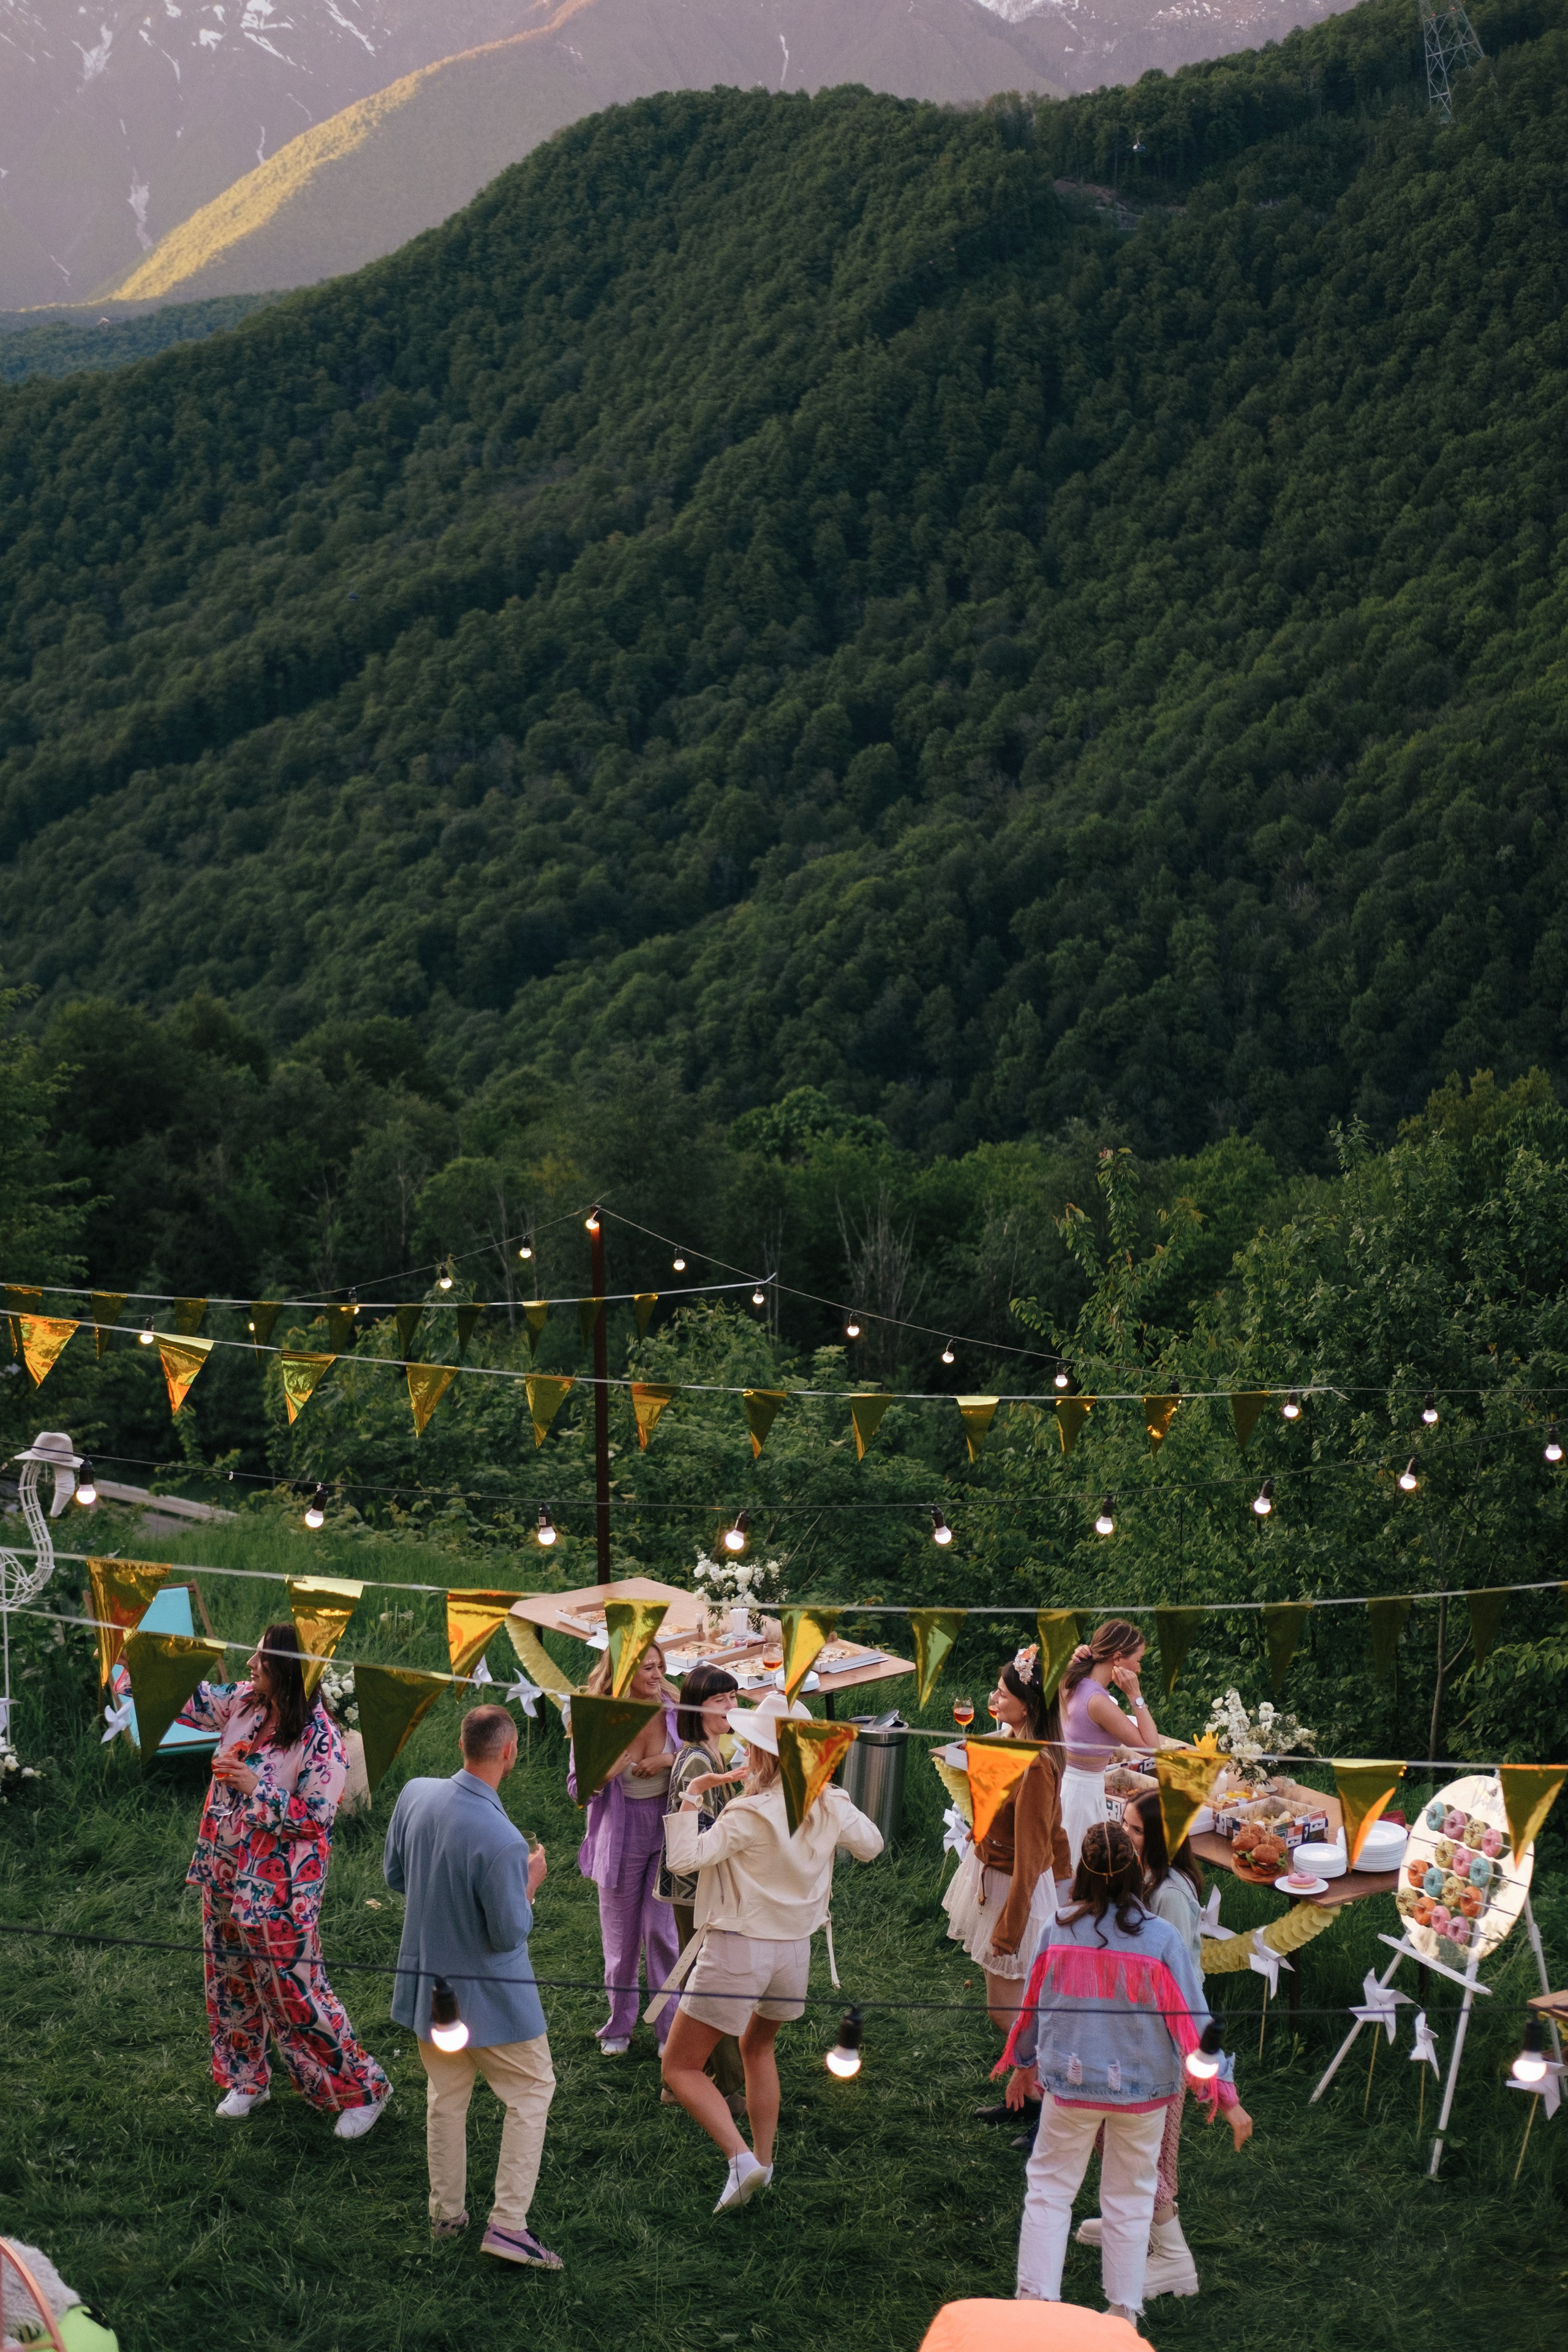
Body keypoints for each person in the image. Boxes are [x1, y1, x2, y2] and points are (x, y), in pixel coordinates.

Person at [1000, 1822, 1252, 2329]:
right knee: (1130, 2198)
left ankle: (1034, 2306)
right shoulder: (1159, 1940)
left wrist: (1022, 2066)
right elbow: (1194, 2020)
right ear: (1138, 1876)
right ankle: (1122, 2315)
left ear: (1084, 1879)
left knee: (1050, 2189)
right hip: (1144, 2094)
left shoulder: (1056, 1930)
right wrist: (1225, 2094)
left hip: (1069, 2089)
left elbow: (1032, 2009)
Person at [657, 1687, 883, 2212]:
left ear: (761, 1754)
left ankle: (742, 2160)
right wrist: (832, 1795)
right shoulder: (826, 1804)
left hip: (738, 1951)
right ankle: (765, 2162)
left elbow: (682, 1860)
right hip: (793, 1955)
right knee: (758, 2049)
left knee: (679, 2067)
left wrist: (694, 1793)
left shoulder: (749, 1813)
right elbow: (871, 1846)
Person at [181, 1622, 389, 2135]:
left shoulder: (323, 1739)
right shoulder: (244, 1704)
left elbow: (316, 1819)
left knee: (296, 1994)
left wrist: (256, 1787)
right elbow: (191, 1701)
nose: (250, 1666)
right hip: (225, 1870)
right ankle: (248, 2080)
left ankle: (365, 2089)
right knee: (230, 1981)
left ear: (288, 1671)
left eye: (261, 1660)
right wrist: (136, 1662)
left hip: (280, 1889)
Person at [383, 1703, 559, 2270]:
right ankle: (508, 2226)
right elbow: (508, 1933)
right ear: (509, 1753)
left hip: (427, 1988)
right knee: (532, 2091)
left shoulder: (414, 1793)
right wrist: (529, 1883)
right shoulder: (504, 1841)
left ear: (463, 1743)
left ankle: (446, 2214)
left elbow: (395, 1876)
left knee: (446, 2097)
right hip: (491, 2001)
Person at [1067, 1789, 1250, 2299]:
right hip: (1128, 2039)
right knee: (1116, 2140)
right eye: (1122, 1824)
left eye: (1137, 1830)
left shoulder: (1168, 1895)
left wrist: (1221, 2086)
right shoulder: (1142, 1878)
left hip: (1158, 2049)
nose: (1125, 1835)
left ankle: (1173, 2260)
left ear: (1163, 1840)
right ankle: (1134, 2223)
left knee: (1148, 2158)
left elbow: (1187, 1992)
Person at [943, 1645, 1071, 2145]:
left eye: (1003, 1691)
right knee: (1014, 2009)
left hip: (1013, 1892)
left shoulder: (1036, 1765)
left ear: (1028, 1703)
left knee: (1007, 2012)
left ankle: (1050, 2101)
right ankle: (1029, 2093)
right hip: (989, 1879)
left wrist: (1012, 1926)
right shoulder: (1011, 1741)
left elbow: (1038, 1849)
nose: (994, 1697)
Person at [567, 1638, 680, 2054]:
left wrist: (670, 1761)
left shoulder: (676, 1708)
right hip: (622, 1833)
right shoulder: (600, 1719)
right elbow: (578, 1788)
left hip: (670, 1830)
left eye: (659, 1666)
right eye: (646, 1668)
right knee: (621, 1940)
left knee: (662, 1932)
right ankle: (619, 2026)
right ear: (622, 1674)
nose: (656, 1676)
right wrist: (606, 1770)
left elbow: (709, 1753)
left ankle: (670, 2030)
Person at [657, 1662, 746, 2115]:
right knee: (709, 1986)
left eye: (733, 1696)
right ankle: (726, 2084)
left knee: (701, 1983)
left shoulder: (716, 1750)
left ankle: (686, 2077)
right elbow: (700, 1837)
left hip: (703, 1888)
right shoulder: (697, 1760)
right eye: (720, 1700)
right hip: (696, 1892)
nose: (732, 1705)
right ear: (697, 1707)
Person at [1058, 1623, 1161, 1867]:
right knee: (1078, 1864)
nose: (1139, 1668)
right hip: (1081, 1795)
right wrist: (1135, 1695)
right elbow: (1151, 1749)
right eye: (1138, 1660)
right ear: (1118, 1658)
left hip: (1065, 1783)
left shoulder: (1072, 1680)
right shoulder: (1098, 1702)